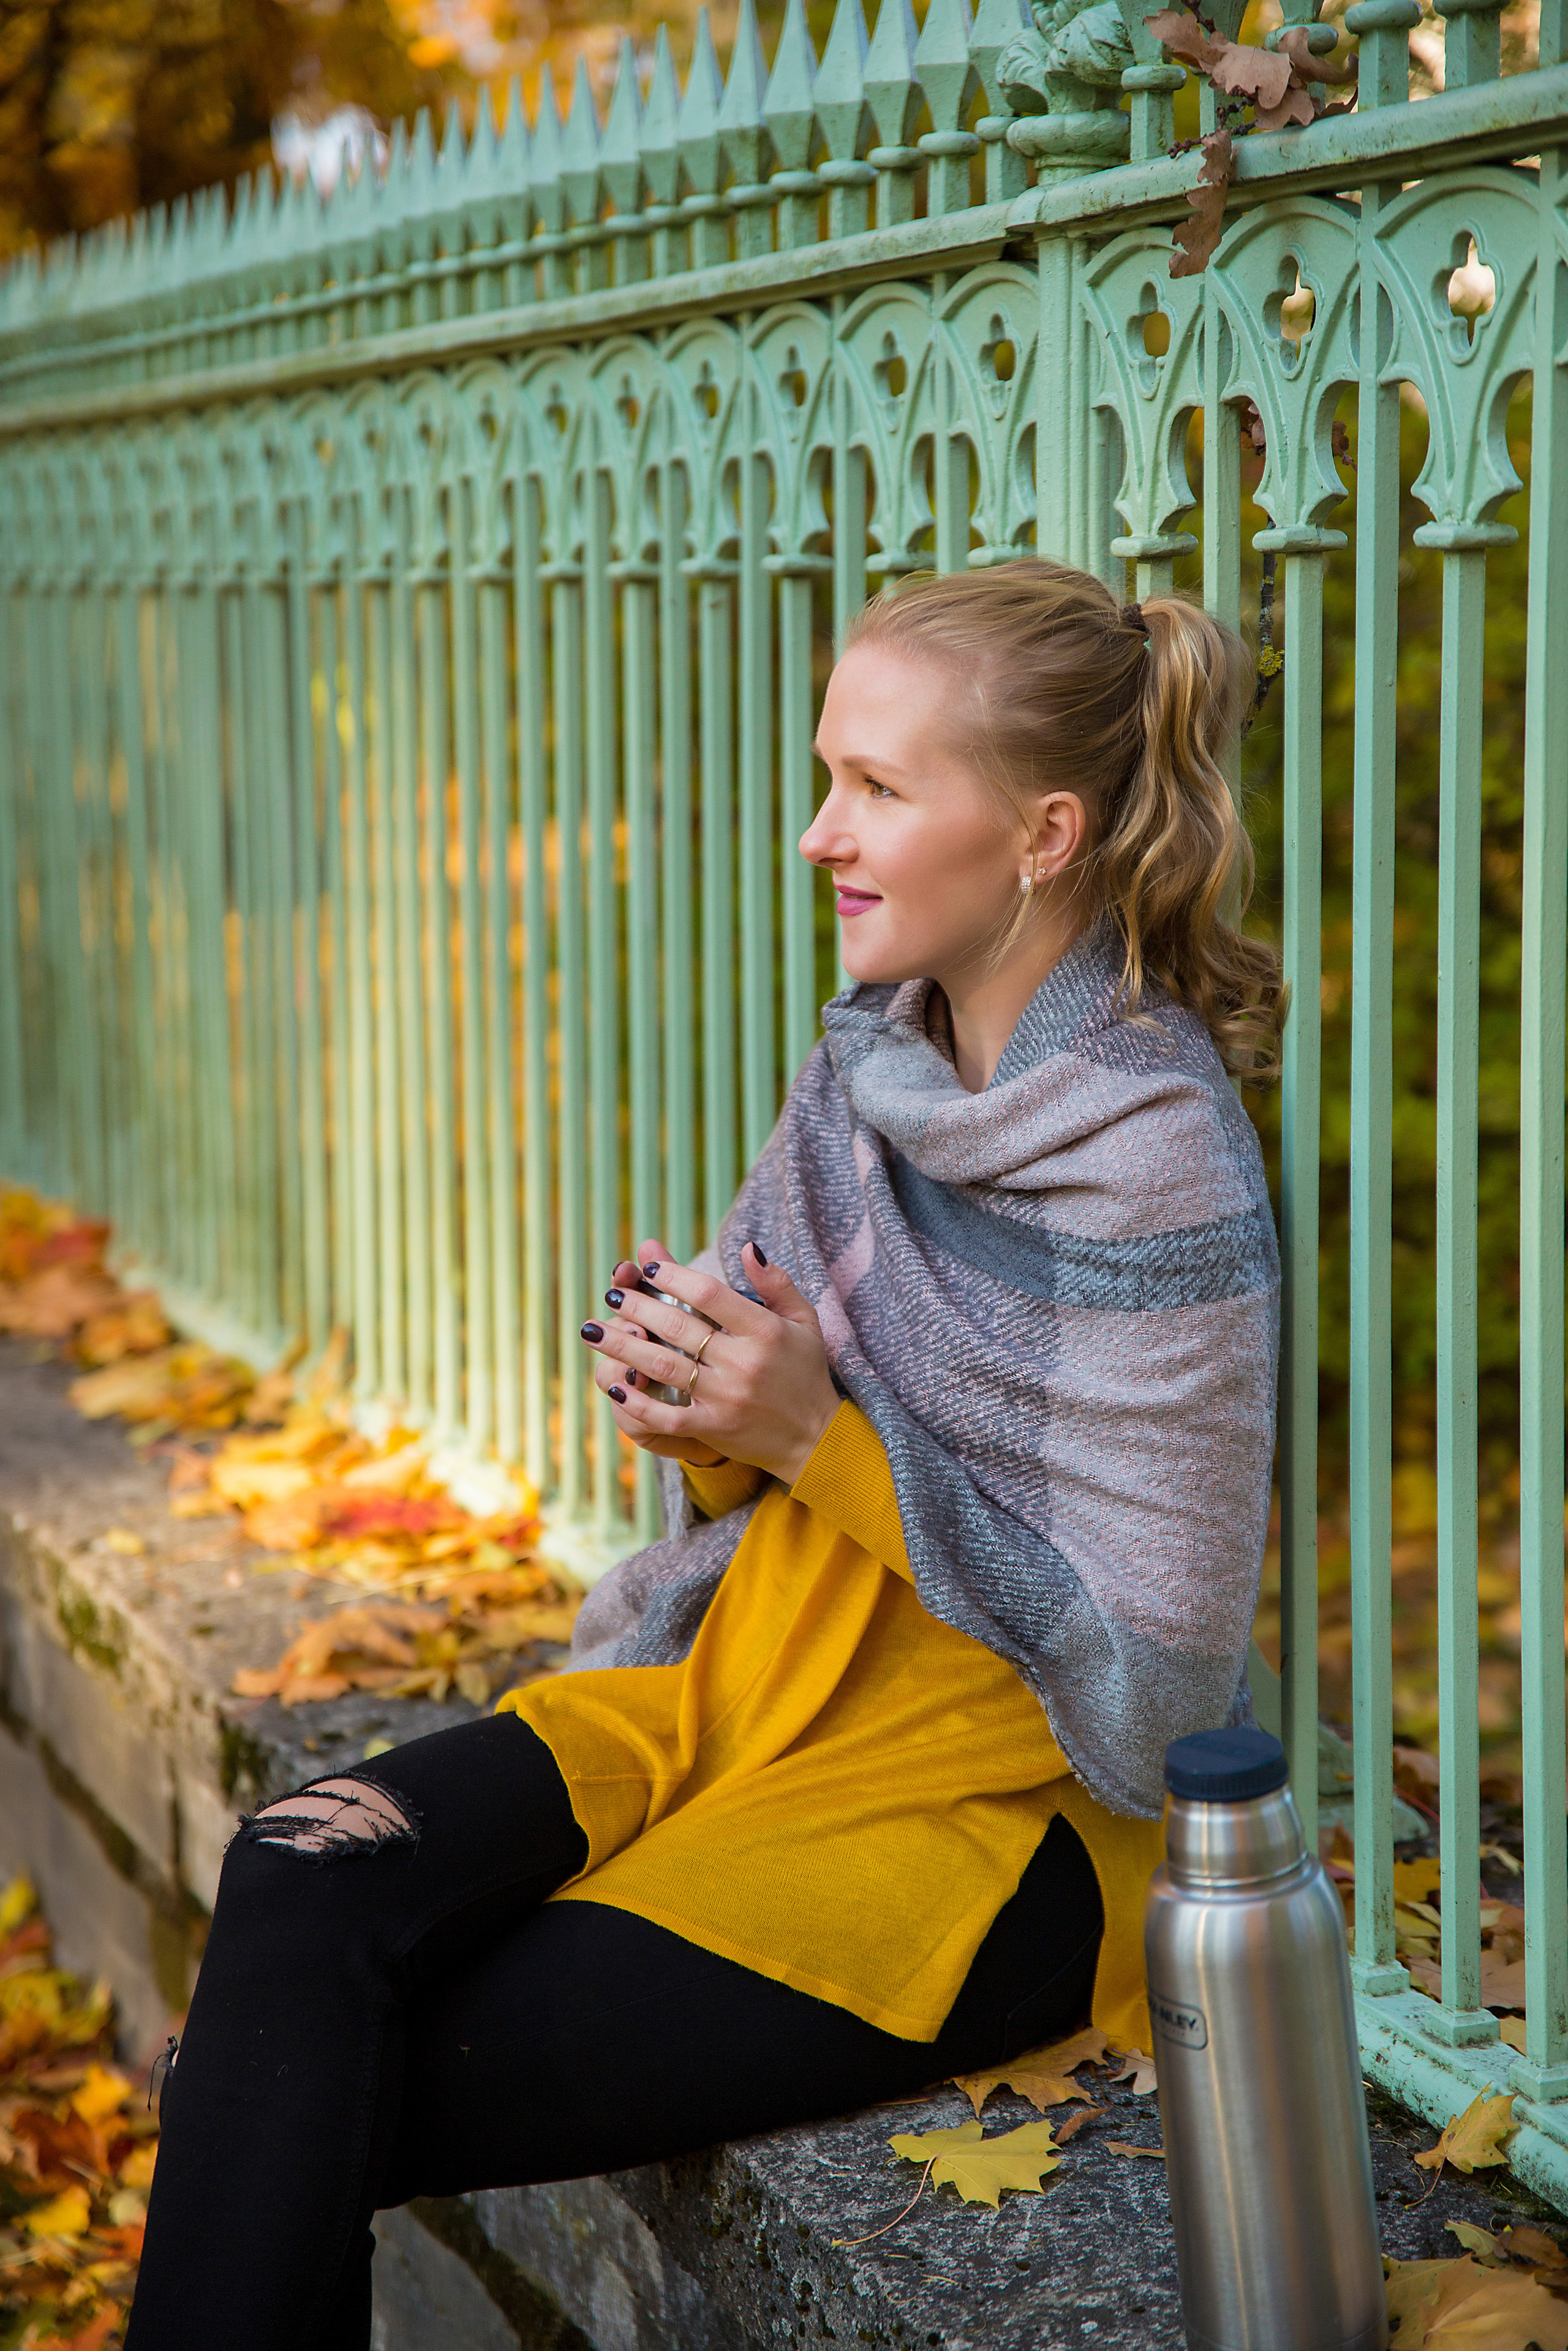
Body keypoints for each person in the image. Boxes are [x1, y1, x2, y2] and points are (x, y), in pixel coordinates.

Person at [124, 557, 1284, 2351]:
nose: (823, 832)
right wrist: (700, 1400)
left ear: (1045, 832)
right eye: (832, 775)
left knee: (269, 2081)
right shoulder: (869, 1070)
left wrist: (808, 1434)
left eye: (883, 789)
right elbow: (778, 1430)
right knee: (298, 1872)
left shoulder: (1154, 1166)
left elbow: (1151, 1694)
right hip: (737, 1699)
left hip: (977, 1832)